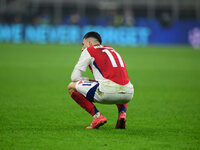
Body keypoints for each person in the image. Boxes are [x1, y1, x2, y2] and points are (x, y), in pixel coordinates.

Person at [68, 32, 134, 129]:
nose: (82, 48)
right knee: (119, 82)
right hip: (128, 94)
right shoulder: (112, 49)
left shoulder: (89, 50)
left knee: (71, 87)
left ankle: (97, 117)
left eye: (83, 44)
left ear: (90, 43)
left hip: (107, 92)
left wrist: (89, 80)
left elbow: (74, 77)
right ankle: (122, 113)